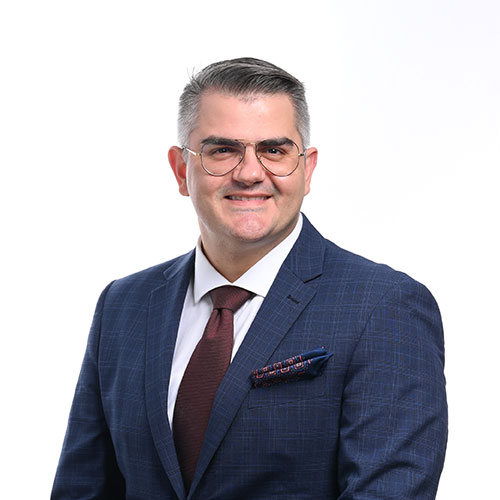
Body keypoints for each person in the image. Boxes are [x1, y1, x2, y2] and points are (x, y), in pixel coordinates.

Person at [51, 57, 447, 500]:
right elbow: (81, 488)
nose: (250, 173)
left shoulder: (384, 307)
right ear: (181, 170)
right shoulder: (123, 305)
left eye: (274, 150)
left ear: (307, 169)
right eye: (222, 150)